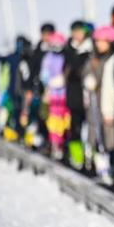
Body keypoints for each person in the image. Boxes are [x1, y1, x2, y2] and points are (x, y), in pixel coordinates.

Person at [83, 25, 114, 184]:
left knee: (112, 135)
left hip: (110, 103)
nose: (99, 44)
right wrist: (88, 80)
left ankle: (113, 165)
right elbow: (86, 73)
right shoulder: (93, 59)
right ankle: (100, 165)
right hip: (95, 104)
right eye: (97, 41)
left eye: (103, 41)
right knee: (97, 133)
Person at [63, 20, 94, 170]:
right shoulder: (69, 50)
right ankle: (77, 157)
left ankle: (91, 159)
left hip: (89, 96)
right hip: (74, 95)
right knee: (75, 127)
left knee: (91, 129)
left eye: (79, 31)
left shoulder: (91, 49)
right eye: (74, 31)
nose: (77, 35)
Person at [40, 32, 69, 160]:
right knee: (54, 122)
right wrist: (52, 82)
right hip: (52, 96)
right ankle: (55, 145)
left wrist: (64, 80)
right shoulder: (48, 58)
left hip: (64, 97)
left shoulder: (65, 57)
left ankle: (63, 145)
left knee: (64, 122)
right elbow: (44, 76)